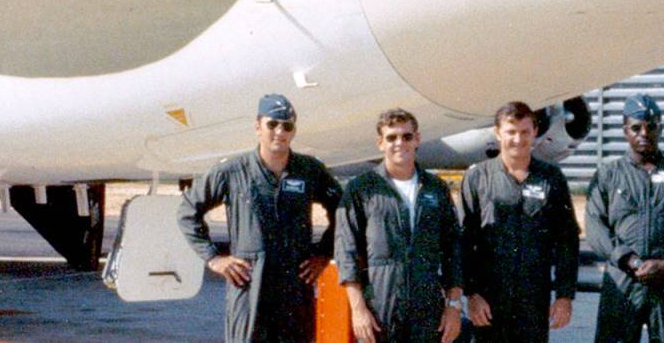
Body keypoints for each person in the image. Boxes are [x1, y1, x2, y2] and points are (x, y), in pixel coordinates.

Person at [177, 94, 343, 343]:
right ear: (257, 127)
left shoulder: (309, 170)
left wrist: (323, 254)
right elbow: (188, 211)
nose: (279, 131)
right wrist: (213, 258)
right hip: (249, 284)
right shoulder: (233, 171)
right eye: (272, 124)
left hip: (295, 286)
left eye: (287, 126)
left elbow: (344, 211)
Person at [585, 93, 664, 342]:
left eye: (651, 126)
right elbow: (595, 225)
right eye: (636, 127)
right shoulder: (608, 175)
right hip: (623, 282)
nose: (644, 133)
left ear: (660, 129)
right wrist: (628, 260)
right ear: (625, 131)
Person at [335, 108, 463, 343]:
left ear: (417, 139)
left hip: (427, 310)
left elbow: (453, 249)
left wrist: (454, 306)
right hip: (379, 311)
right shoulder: (362, 189)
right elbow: (346, 251)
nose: (399, 143)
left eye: (406, 136)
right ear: (380, 143)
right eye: (391, 137)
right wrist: (358, 309)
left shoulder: (435, 188)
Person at [460, 101, 580, 342]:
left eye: (524, 132)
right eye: (511, 132)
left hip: (533, 301)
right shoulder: (477, 177)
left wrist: (565, 296)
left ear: (535, 131)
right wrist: (471, 295)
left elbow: (567, 240)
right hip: (489, 302)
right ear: (497, 133)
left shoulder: (551, 178)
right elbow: (463, 241)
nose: (518, 139)